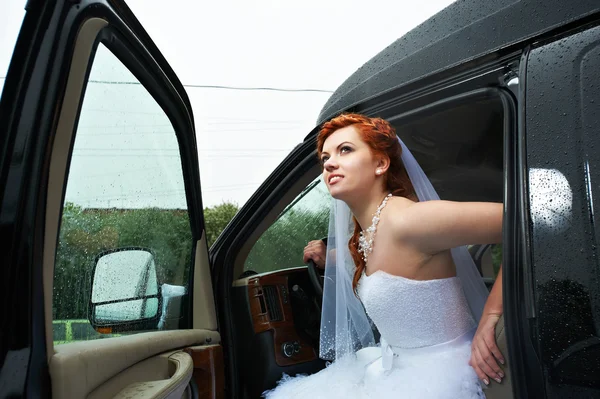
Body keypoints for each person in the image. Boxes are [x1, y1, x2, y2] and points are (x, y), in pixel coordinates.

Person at [263, 113, 504, 399]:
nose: (328, 163)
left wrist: (492, 316)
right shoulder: (365, 235)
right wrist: (330, 257)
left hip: (439, 378)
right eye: (325, 156)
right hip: (391, 368)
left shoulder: (411, 221)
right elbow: (377, 252)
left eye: (345, 150)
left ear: (380, 163)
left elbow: (528, 221)